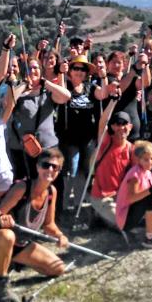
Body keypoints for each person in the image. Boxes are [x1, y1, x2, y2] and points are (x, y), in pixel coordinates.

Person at [0, 148, 70, 302]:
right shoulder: (22, 188)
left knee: (58, 269)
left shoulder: (52, 192)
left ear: (59, 171)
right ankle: (0, 287)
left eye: (55, 167)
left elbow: (49, 224)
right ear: (37, 167)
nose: (50, 169)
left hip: (21, 245)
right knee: (8, 236)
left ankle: (14, 261)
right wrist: (2, 217)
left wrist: (59, 235)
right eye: (46, 165)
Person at [4, 58, 71, 181]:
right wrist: (24, 85)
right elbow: (8, 103)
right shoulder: (18, 94)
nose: (32, 71)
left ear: (41, 71)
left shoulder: (48, 93)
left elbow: (66, 96)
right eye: (29, 68)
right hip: (22, 151)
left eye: (36, 68)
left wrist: (46, 83)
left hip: (48, 150)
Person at [57, 55, 108, 212]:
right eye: (76, 68)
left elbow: (103, 95)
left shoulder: (91, 88)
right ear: (70, 71)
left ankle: (77, 204)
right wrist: (60, 73)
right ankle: (65, 204)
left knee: (83, 172)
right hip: (69, 138)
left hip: (87, 138)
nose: (79, 72)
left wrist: (103, 76)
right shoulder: (65, 86)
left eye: (83, 69)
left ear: (86, 73)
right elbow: (59, 95)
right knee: (71, 170)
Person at [115, 141, 152, 248]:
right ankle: (150, 238)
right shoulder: (135, 174)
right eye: (146, 160)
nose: (149, 162)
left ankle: (146, 230)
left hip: (139, 212)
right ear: (138, 160)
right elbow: (131, 198)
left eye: (151, 159)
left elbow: (150, 193)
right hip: (126, 218)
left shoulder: (148, 172)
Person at [89, 101, 133, 228]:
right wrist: (113, 101)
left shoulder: (132, 149)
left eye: (124, 124)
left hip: (121, 196)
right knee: (123, 223)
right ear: (112, 127)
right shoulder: (106, 142)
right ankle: (100, 214)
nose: (121, 127)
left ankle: (104, 218)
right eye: (117, 124)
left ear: (130, 126)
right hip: (102, 197)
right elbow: (102, 123)